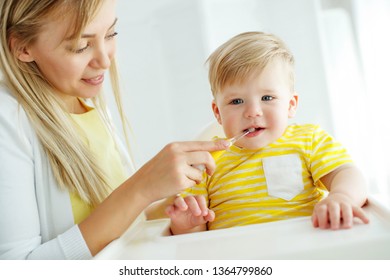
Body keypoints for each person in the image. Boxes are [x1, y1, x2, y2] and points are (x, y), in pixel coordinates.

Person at [0, 0, 229, 259]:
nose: (105, 60)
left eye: (111, 34)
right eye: (81, 46)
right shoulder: (8, 121)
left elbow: (114, 224)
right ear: (22, 47)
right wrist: (141, 188)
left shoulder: (87, 104)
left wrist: (171, 212)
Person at [166, 31, 370, 234]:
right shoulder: (205, 161)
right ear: (218, 113)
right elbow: (194, 237)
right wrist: (186, 224)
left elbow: (347, 173)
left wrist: (342, 196)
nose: (253, 112)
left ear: (290, 105)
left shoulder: (309, 140)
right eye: (236, 101)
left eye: (267, 98)